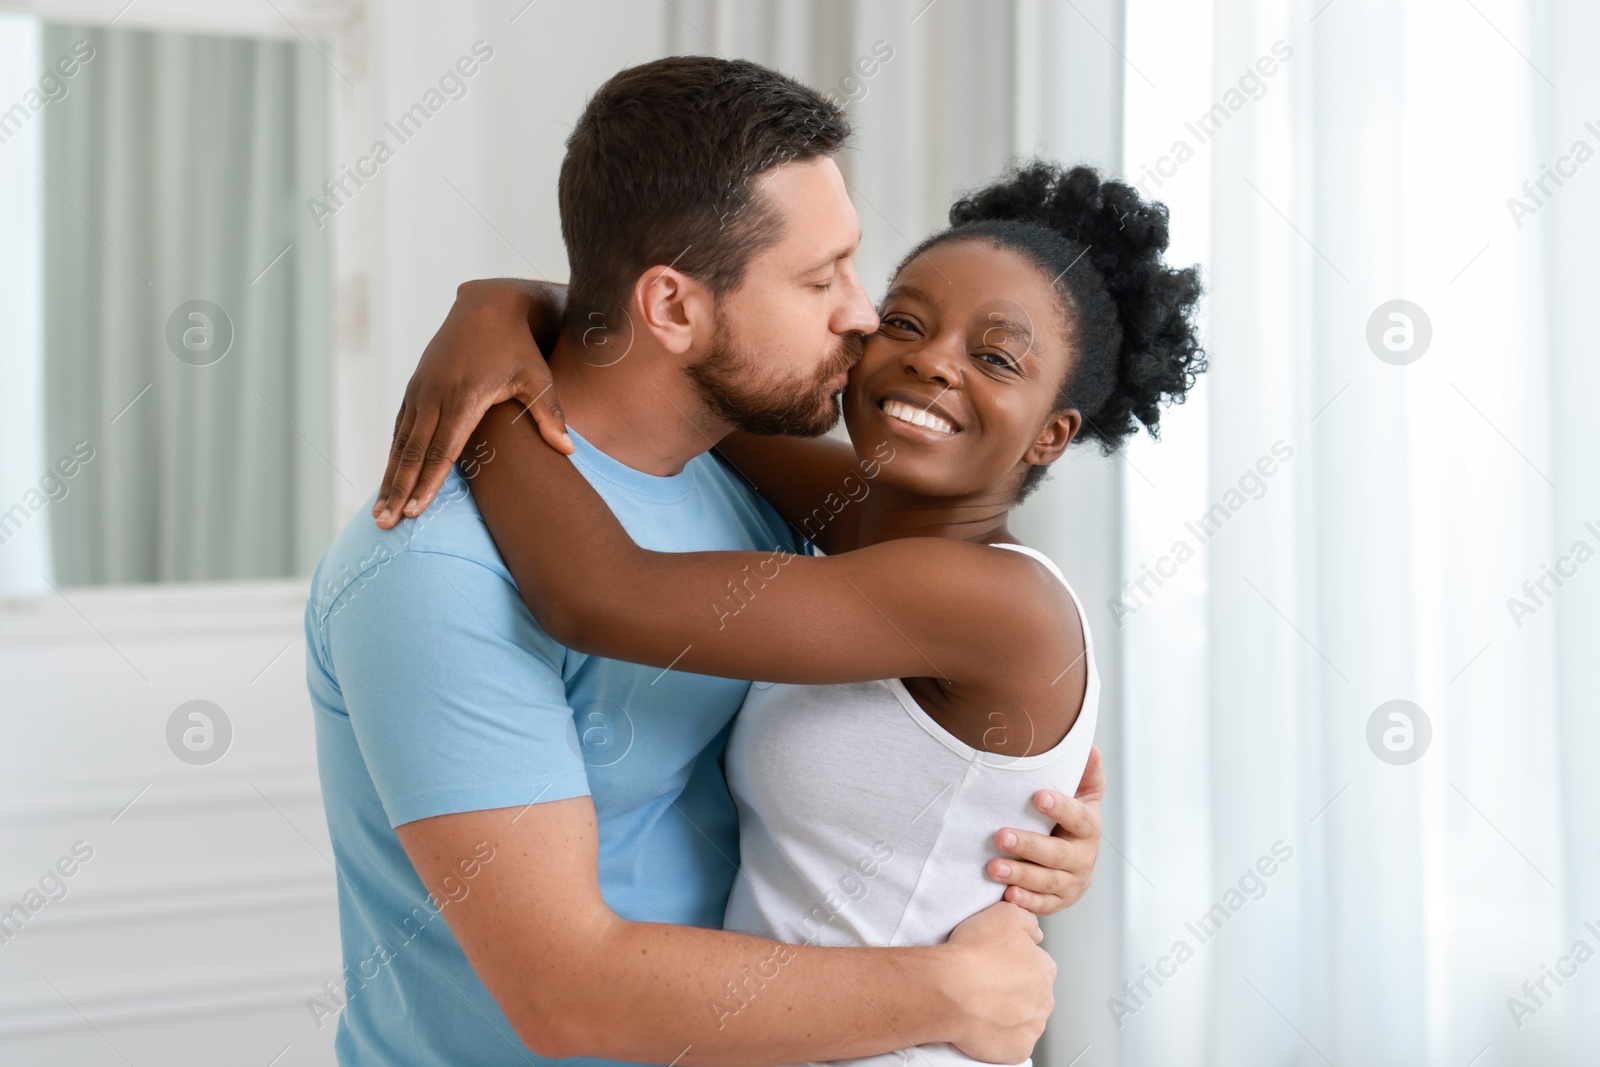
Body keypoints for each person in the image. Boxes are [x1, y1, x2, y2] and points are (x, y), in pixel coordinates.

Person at [307, 56, 1104, 1067]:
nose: (859, 316)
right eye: (822, 279)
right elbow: (566, 999)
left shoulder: (750, 485)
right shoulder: (434, 569)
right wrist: (950, 990)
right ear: (675, 309)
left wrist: (1031, 827)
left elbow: (974, 710)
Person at [426, 159, 1205, 1067]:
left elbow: (599, 594)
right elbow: (689, 361)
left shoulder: (994, 599)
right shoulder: (868, 519)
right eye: (906, 322)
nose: (933, 359)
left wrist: (483, 394)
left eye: (995, 357)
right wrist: (505, 306)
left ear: (1050, 433)